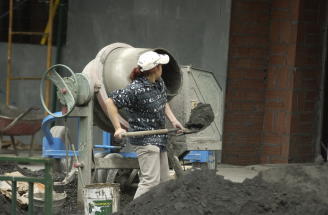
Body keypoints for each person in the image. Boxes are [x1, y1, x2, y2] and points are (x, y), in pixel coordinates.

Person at [105, 50, 184, 199]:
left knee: (164, 181)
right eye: (161, 65)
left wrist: (174, 120)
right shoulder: (135, 89)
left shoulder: (158, 82)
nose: (162, 68)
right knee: (150, 181)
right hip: (145, 140)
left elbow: (163, 101)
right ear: (155, 68)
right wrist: (117, 128)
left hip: (159, 138)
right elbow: (110, 102)